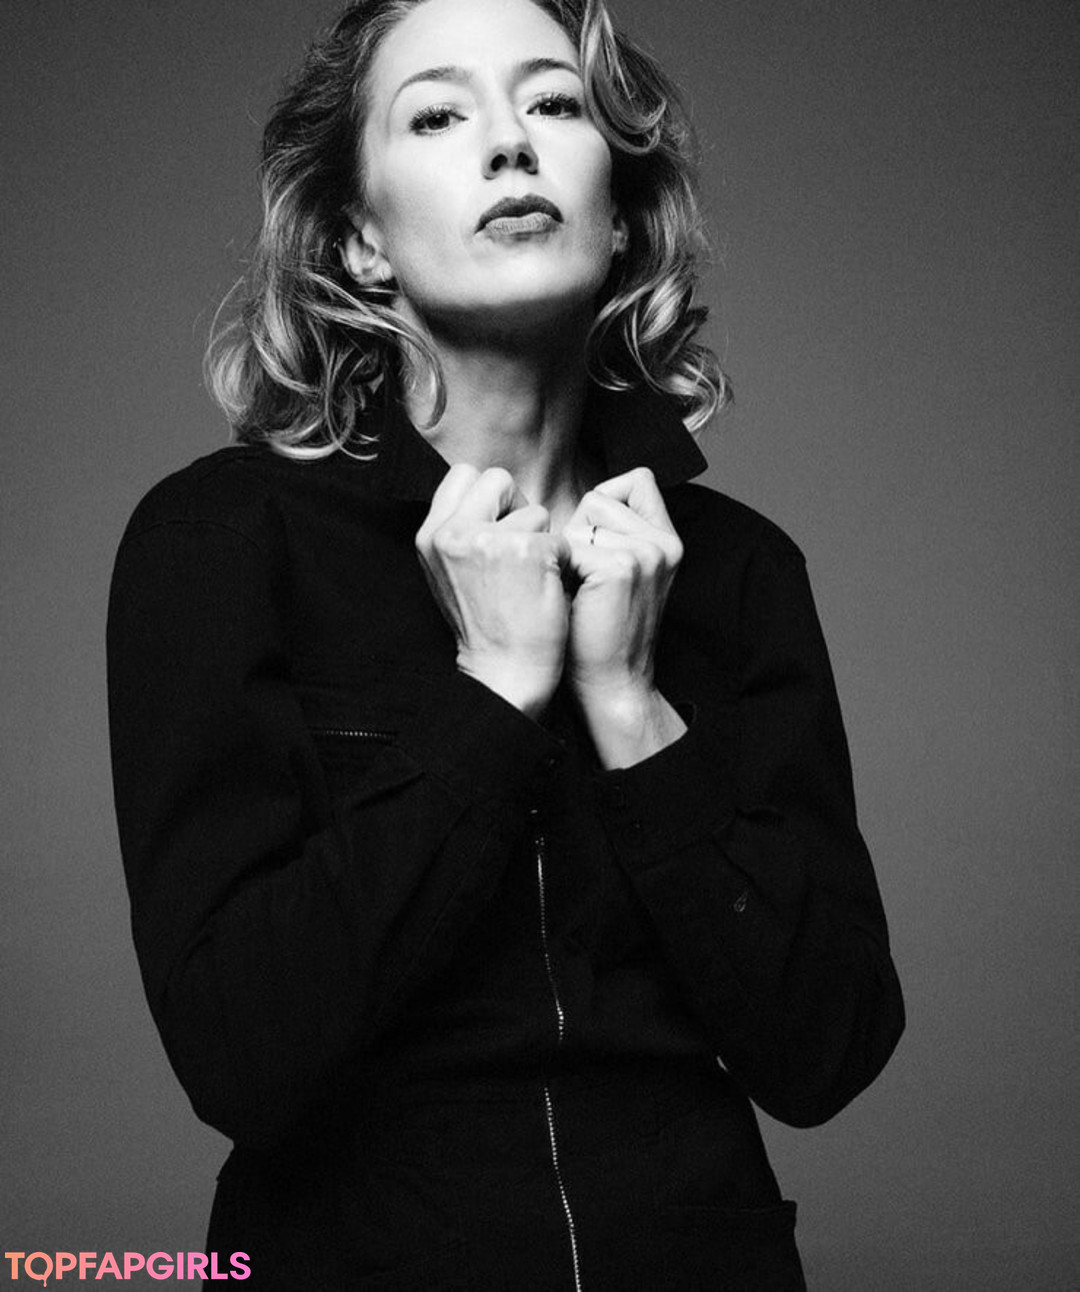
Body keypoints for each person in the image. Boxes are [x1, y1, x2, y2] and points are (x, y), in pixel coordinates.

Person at [107, 0, 904, 1286]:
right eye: (437, 113)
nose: (509, 142)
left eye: (553, 102)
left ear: (621, 212)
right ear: (361, 240)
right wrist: (491, 695)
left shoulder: (738, 571)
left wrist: (633, 709)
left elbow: (831, 1047)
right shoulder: (219, 541)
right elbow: (237, 1052)